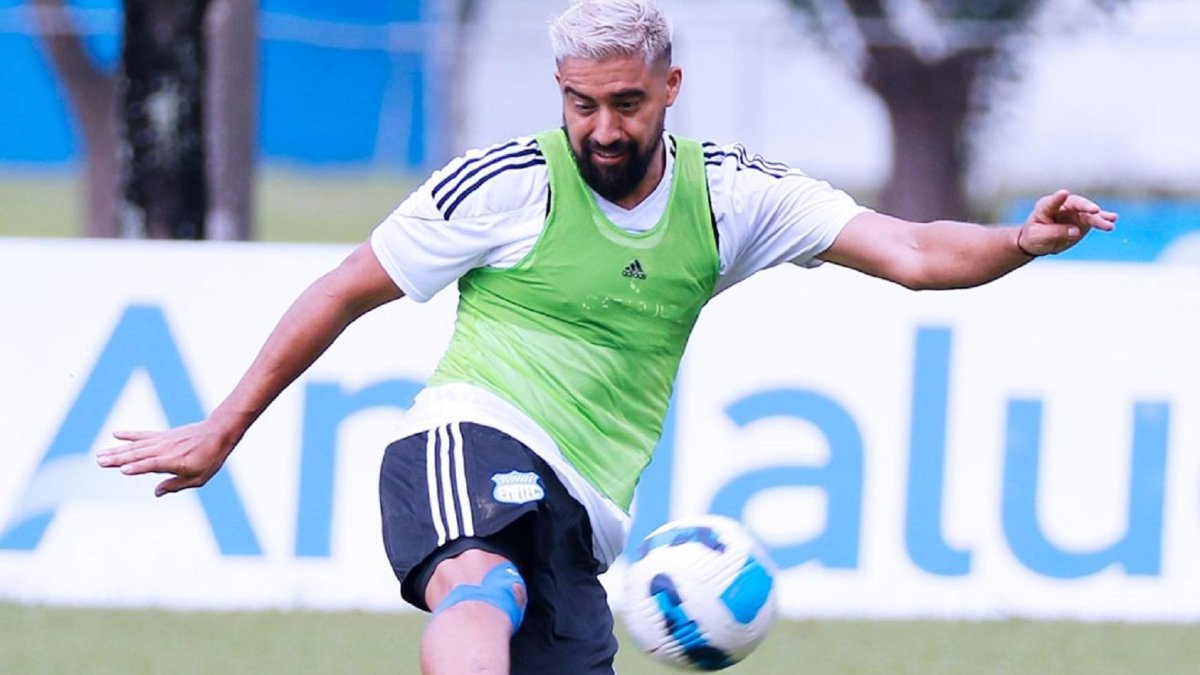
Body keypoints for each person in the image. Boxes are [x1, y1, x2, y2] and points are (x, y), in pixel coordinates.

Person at [96, 0, 1117, 673]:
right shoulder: (507, 183)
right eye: (583, 105)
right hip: (472, 432)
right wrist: (225, 426)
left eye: (626, 103)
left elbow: (915, 253)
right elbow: (342, 289)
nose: (603, 129)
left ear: (670, 89)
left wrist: (1021, 240)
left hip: (589, 515)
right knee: (478, 578)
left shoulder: (732, 196)